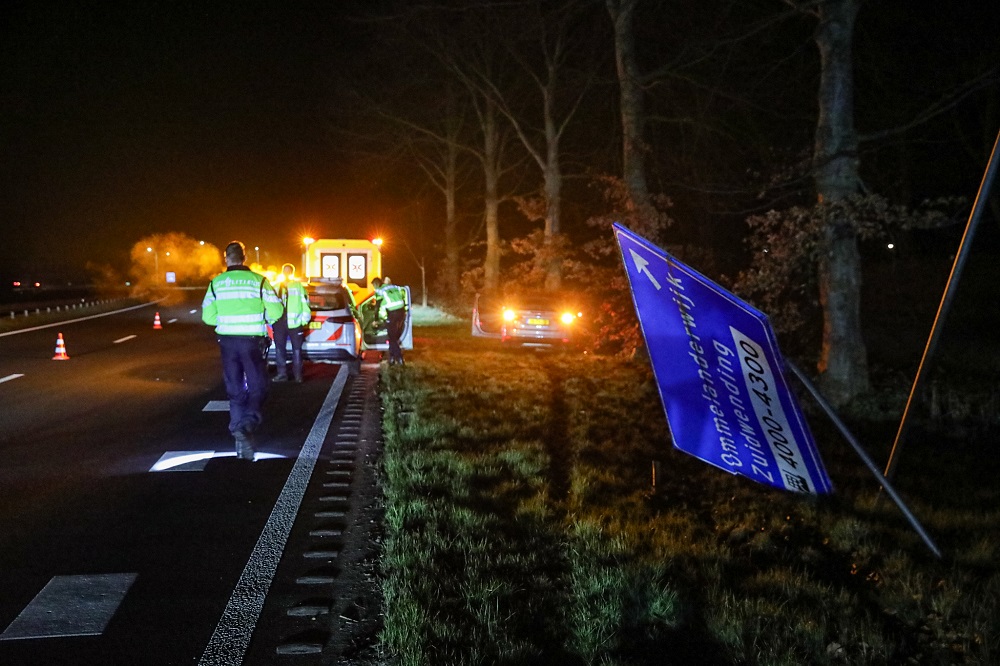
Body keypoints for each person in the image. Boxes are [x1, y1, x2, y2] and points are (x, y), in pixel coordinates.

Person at [202, 241, 284, 460]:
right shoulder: (260, 282)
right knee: (259, 387)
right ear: (244, 258)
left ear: (226, 259)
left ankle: (239, 441)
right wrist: (263, 318)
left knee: (235, 392)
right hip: (251, 342)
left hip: (227, 343)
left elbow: (207, 317)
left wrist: (227, 321)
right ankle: (246, 425)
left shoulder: (216, 284)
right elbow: (277, 310)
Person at [272, 263, 311, 383]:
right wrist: (271, 319)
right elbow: (271, 304)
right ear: (282, 272)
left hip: (295, 324)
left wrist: (304, 320)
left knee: (297, 350)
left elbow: (305, 303)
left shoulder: (298, 286)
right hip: (279, 323)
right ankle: (282, 374)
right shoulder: (276, 287)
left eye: (289, 271)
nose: (287, 273)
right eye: (285, 271)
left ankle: (298, 375)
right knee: (279, 349)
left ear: (292, 273)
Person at [373, 276, 408, 365]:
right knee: (393, 336)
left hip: (393, 313)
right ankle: (391, 358)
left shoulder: (380, 291)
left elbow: (377, 307)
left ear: (376, 284)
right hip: (401, 312)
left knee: (392, 337)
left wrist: (376, 320)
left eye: (374, 286)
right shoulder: (392, 286)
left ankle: (399, 358)